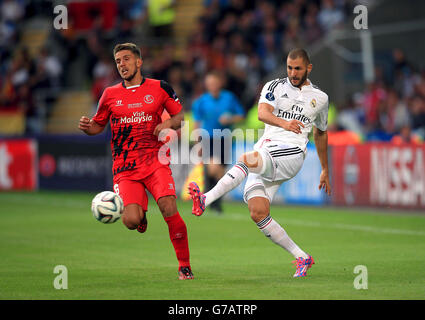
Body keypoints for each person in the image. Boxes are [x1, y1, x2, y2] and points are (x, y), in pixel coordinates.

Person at [189, 48, 331, 278]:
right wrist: (284, 124)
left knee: (246, 159)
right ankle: (302, 257)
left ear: (309, 68)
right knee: (258, 212)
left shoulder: (320, 98)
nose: (293, 73)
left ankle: (205, 198)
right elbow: (262, 114)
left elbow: (321, 134)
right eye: (289, 68)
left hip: (292, 153)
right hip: (267, 149)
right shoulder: (274, 86)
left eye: (298, 69)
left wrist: (325, 168)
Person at [78, 42, 193, 280]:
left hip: (155, 160)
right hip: (125, 167)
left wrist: (168, 124)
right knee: (131, 221)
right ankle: (141, 216)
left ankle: (184, 265)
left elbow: (180, 117)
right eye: (118, 61)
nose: (122, 64)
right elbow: (98, 125)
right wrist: (89, 128)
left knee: (169, 208)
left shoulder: (160, 87)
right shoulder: (109, 94)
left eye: (126, 59)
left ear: (138, 62)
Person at [191, 71, 245, 214]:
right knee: (213, 168)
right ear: (206, 85)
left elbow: (241, 115)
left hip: (225, 138)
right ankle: (210, 201)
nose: (212, 86)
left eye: (214, 83)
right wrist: (198, 143)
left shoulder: (229, 98)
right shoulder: (201, 101)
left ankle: (213, 202)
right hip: (208, 138)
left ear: (219, 83)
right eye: (209, 84)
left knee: (220, 172)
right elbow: (197, 123)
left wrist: (230, 119)